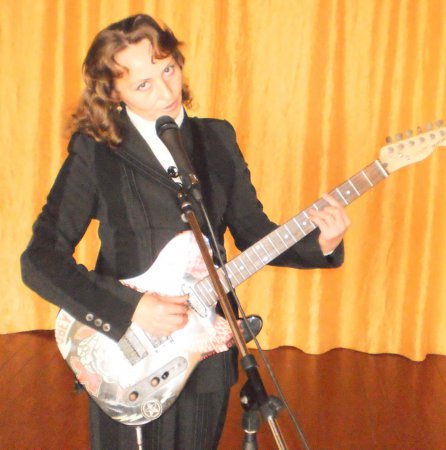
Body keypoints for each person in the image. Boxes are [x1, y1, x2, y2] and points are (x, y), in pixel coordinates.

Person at [21, 13, 350, 450]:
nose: (166, 92)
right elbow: (40, 259)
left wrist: (320, 243)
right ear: (113, 94)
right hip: (128, 354)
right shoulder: (97, 151)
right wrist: (131, 308)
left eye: (168, 70)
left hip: (205, 351)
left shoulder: (217, 139)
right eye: (143, 85)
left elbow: (253, 232)